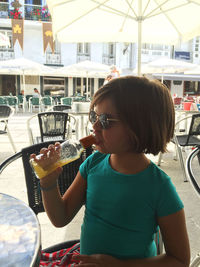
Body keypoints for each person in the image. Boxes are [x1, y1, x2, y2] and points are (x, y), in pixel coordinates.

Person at [31, 76, 190, 266]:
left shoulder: (159, 187)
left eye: (106, 121)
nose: (94, 126)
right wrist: (48, 183)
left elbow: (180, 259)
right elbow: (60, 217)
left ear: (140, 127)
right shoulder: (93, 164)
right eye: (94, 117)